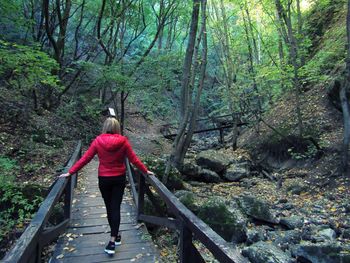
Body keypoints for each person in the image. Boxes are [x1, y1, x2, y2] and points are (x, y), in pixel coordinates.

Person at [59, 117, 154, 255]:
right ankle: (115, 236)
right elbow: (134, 160)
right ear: (117, 128)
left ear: (105, 127)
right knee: (115, 207)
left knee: (110, 207)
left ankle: (112, 239)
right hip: (118, 179)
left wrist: (70, 172)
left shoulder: (98, 141)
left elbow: (86, 158)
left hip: (104, 179)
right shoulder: (124, 142)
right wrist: (145, 171)